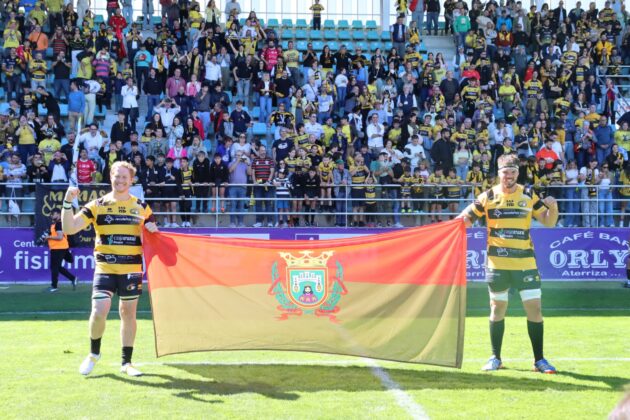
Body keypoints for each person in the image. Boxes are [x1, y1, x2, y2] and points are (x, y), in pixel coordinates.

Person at [458, 153, 559, 374]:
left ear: (517, 173)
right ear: (499, 174)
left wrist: (554, 207)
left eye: (513, 172)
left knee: (535, 309)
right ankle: (496, 358)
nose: (509, 176)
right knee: (497, 309)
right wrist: (448, 228)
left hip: (525, 263)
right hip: (497, 265)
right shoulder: (488, 196)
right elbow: (464, 220)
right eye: (505, 172)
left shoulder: (529, 195)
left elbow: (549, 223)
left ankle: (539, 361)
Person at [62, 161, 158, 377]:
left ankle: (127, 362)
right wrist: (67, 202)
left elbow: (154, 236)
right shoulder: (97, 204)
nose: (120, 180)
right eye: (117, 176)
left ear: (131, 180)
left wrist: (152, 228)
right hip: (105, 269)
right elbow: (69, 228)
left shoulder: (142, 207)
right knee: (99, 311)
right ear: (110, 177)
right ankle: (94, 354)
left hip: (131, 269)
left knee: (128, 313)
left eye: (125, 177)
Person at [45, 208, 78, 293]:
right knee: (57, 267)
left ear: (59, 214)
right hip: (60, 248)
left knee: (54, 267)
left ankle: (54, 286)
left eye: (53, 214)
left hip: (58, 248)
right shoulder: (56, 224)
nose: (51, 215)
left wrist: (48, 237)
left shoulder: (59, 224)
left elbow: (59, 237)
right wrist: (48, 236)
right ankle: (72, 278)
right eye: (51, 214)